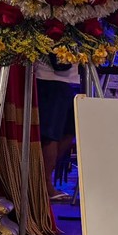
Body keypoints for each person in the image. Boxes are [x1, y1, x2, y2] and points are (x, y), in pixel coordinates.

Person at [35, 56, 79, 201]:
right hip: (49, 77)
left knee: (69, 132)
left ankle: (44, 177)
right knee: (52, 133)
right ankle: (45, 182)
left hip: (73, 79)